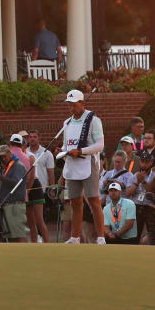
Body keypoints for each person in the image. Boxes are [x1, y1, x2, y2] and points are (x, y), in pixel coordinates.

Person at [57, 88, 105, 244]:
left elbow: (100, 146)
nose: (71, 108)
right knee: (75, 202)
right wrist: (63, 152)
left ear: (82, 103)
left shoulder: (94, 120)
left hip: (88, 163)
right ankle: (75, 237)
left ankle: (101, 237)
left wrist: (81, 151)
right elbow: (66, 145)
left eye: (73, 104)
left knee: (93, 200)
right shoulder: (67, 122)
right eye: (69, 105)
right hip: (71, 164)